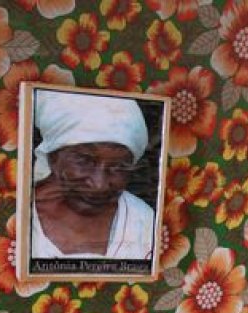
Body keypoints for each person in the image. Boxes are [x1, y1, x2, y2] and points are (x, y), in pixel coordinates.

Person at [31, 90, 156, 261]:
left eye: (118, 167)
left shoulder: (143, 223)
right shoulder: (14, 216)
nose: (99, 184)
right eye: (84, 161)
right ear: (53, 157)